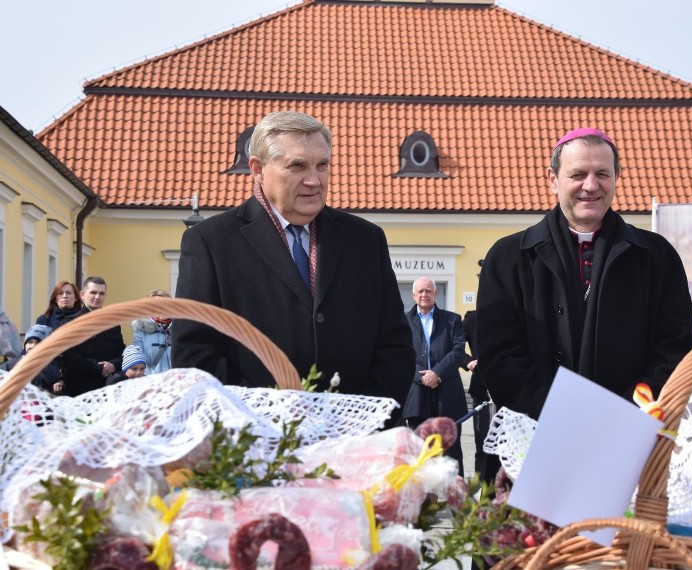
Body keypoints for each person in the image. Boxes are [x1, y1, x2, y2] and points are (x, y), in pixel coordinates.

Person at [172, 111, 413, 419]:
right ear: (257, 169)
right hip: (256, 444)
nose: (314, 180)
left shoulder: (365, 240)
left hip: (355, 442)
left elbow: (394, 345)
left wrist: (362, 420)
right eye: (297, 166)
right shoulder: (211, 242)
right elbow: (196, 356)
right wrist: (265, 424)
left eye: (322, 165)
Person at [476, 127, 692, 420]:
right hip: (535, 429)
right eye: (578, 174)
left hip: (630, 431)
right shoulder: (508, 257)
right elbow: (499, 356)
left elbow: (674, 351)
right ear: (553, 180)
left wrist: (621, 415)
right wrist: (560, 414)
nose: (591, 186)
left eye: (602, 174)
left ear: (617, 178)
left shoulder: (656, 256)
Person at [401, 277, 468, 474]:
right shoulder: (402, 322)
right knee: (420, 453)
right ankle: (423, 503)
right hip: (417, 395)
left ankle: (457, 502)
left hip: (447, 393)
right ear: (413, 295)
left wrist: (437, 373)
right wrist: (420, 376)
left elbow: (457, 352)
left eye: (428, 291)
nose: (424, 295)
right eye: (420, 291)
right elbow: (401, 354)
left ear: (435, 294)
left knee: (451, 451)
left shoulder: (452, 320)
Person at [62, 276, 125, 397]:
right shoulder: (71, 322)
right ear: (82, 294)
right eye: (93, 292)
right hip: (80, 389)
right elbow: (68, 355)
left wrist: (113, 365)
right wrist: (97, 367)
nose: (97, 297)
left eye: (101, 293)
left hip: (108, 388)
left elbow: (121, 351)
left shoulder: (113, 322)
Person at [461, 308, 493, 481]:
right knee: (483, 445)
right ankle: (482, 494)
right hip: (482, 389)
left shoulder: (514, 315)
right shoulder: (473, 319)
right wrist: (468, 361)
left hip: (512, 388)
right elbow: (454, 344)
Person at [0, 324, 63, 394]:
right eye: (30, 342)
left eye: (38, 343)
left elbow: (57, 378)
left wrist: (60, 383)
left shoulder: (52, 364)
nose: (33, 346)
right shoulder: (15, 363)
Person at [132, 289, 173, 374]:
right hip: (152, 381)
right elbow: (138, 359)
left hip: (175, 382)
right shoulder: (141, 330)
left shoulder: (179, 328)